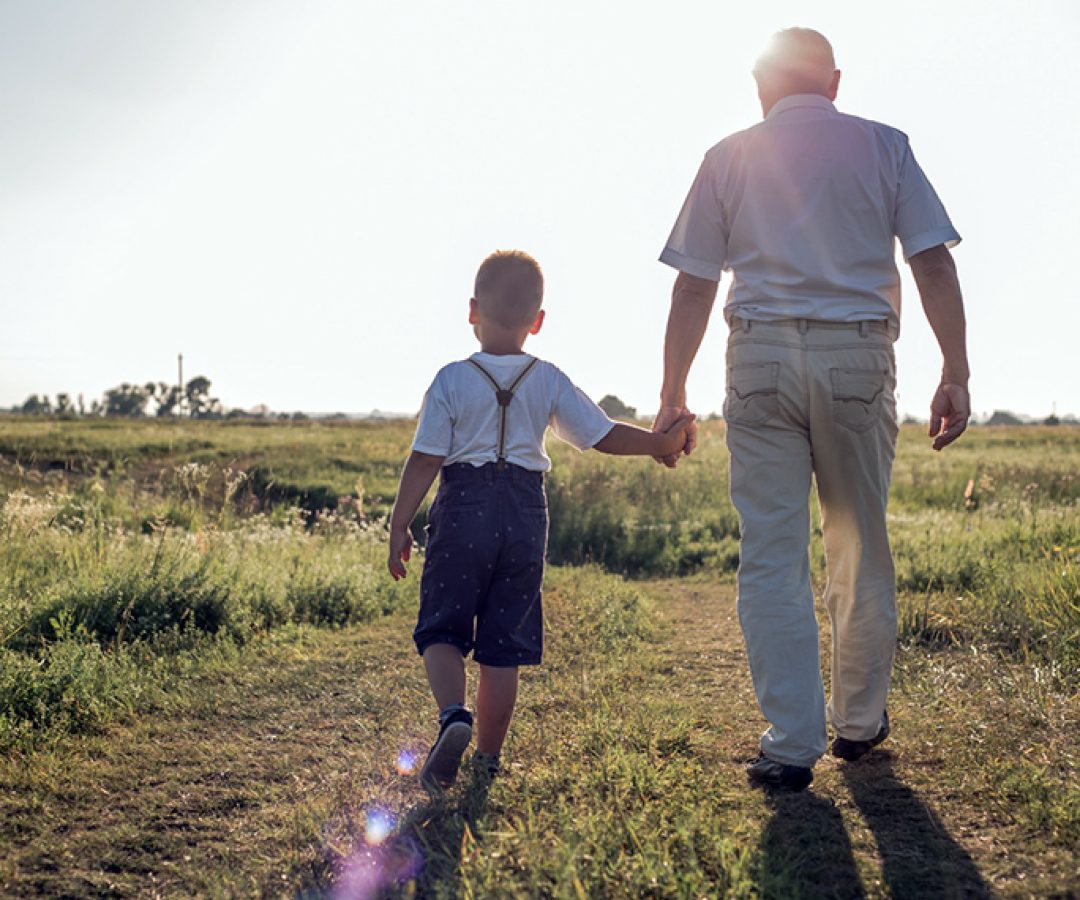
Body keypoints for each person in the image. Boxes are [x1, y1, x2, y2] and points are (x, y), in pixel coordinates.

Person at [653, 28, 970, 790]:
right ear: (833, 82)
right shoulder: (885, 147)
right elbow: (930, 258)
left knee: (771, 554)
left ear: (760, 86)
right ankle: (858, 727)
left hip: (759, 355)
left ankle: (790, 743)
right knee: (858, 545)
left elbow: (694, 284)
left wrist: (672, 394)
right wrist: (955, 369)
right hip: (858, 354)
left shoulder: (728, 155)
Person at [387, 250, 694, 791]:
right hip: (526, 513)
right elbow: (602, 435)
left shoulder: (452, 380)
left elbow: (426, 459)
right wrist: (660, 443)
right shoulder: (547, 378)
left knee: (443, 625)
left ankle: (452, 717)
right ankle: (486, 759)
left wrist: (399, 524)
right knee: (504, 643)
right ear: (539, 320)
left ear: (472, 310)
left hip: (462, 510)